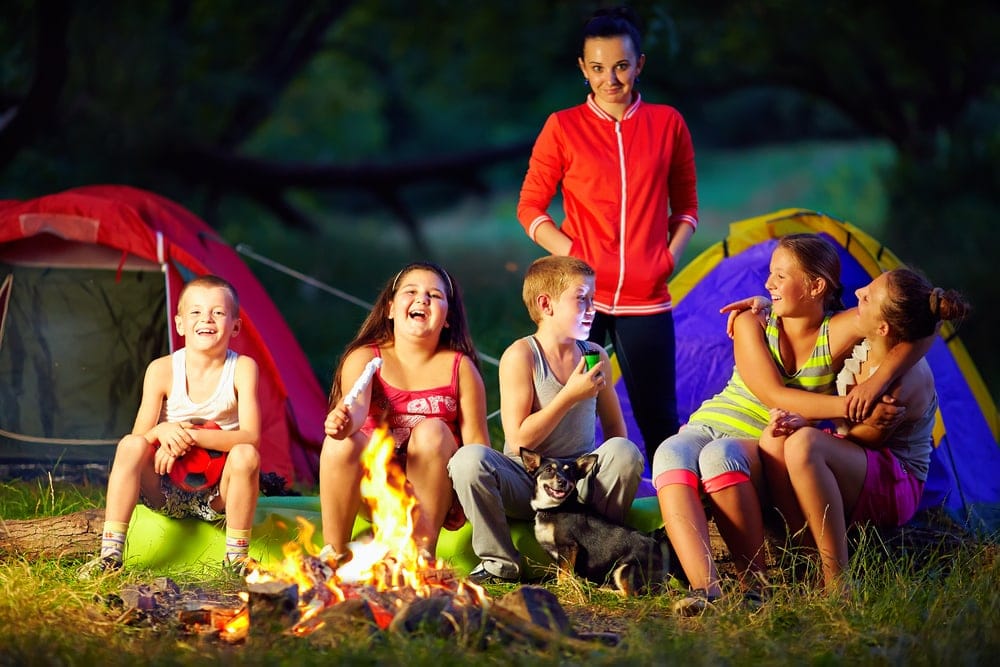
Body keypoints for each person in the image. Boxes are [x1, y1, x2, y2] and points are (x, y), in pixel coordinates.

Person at [652, 234, 929, 613]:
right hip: (715, 420)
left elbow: (918, 327)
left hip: (760, 438)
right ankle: (707, 592)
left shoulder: (838, 331)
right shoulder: (752, 320)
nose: (768, 284)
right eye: (770, 275)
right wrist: (849, 406)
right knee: (669, 453)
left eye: (780, 277)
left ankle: (756, 588)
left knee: (720, 457)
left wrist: (878, 382)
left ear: (816, 286)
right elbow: (773, 395)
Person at [516, 6, 698, 464]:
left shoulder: (668, 123)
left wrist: (667, 258)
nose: (610, 79)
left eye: (620, 66)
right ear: (582, 68)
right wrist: (573, 255)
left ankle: (666, 524)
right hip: (579, 298)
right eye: (597, 68)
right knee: (563, 414)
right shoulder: (563, 127)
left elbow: (687, 207)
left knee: (659, 419)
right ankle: (553, 512)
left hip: (647, 295)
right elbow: (530, 208)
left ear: (639, 64)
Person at [758, 269, 968, 593]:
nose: (858, 293)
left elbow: (866, 439)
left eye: (868, 295)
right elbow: (926, 329)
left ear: (884, 327)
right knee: (773, 441)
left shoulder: (903, 386)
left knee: (803, 446)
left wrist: (814, 429)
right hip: (858, 458)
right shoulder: (872, 339)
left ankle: (838, 581)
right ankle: (807, 558)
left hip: (896, 478)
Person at [449, 256, 644, 584]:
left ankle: (593, 560)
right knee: (468, 460)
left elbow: (614, 430)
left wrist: (617, 472)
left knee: (625, 452)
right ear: (546, 304)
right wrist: (569, 396)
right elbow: (520, 440)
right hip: (528, 481)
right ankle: (500, 564)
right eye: (582, 298)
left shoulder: (593, 353)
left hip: (578, 483)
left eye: (593, 299)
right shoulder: (521, 355)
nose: (593, 308)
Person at [80, 275, 261, 578]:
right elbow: (139, 439)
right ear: (179, 324)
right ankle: (110, 555)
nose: (207, 319)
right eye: (196, 312)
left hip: (217, 496)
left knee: (246, 455)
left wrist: (189, 436)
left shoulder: (242, 368)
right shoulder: (162, 369)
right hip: (164, 489)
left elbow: (251, 437)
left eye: (218, 312)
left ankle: (236, 560)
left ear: (235, 326)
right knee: (130, 445)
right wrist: (162, 432)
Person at [319, 262, 489, 563]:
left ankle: (418, 556)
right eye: (411, 291)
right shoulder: (365, 357)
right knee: (339, 443)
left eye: (434, 295)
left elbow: (478, 446)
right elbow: (355, 409)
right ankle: (334, 554)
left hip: (432, 496)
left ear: (448, 318)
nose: (422, 299)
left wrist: (475, 503)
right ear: (390, 308)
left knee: (433, 431)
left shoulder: (461, 369)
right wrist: (343, 423)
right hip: (373, 489)